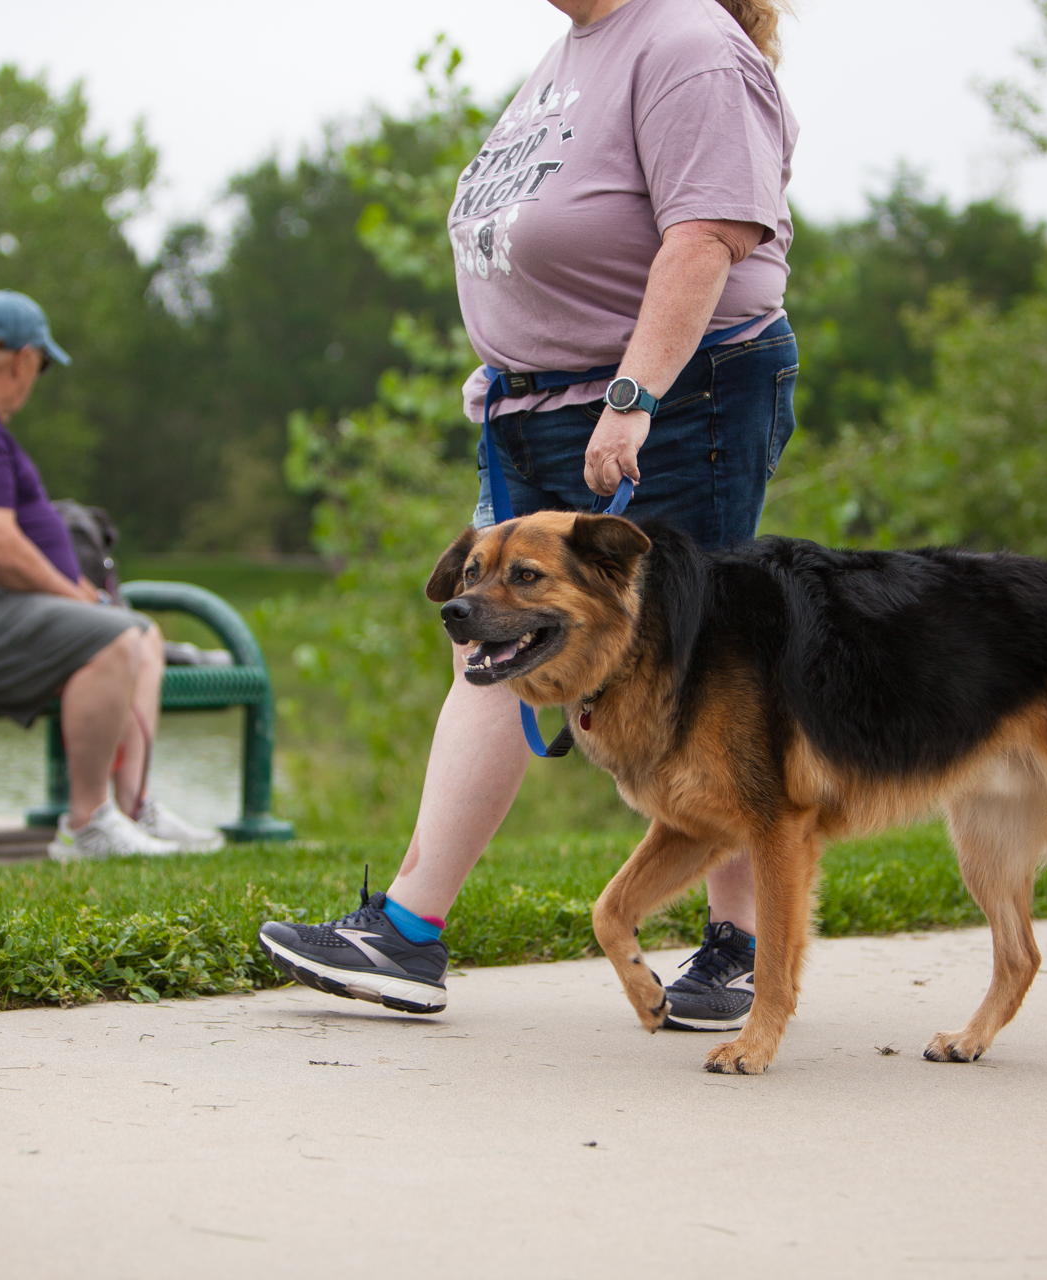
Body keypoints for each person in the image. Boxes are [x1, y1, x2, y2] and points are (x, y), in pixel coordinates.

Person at [260, 0, 799, 1028]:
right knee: (490, 645)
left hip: (674, 404)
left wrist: (633, 399)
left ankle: (740, 944)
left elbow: (707, 237)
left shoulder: (687, 43)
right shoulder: (574, 54)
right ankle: (407, 932)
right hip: (541, 412)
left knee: (711, 660)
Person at [0, 290, 219, 857]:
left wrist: (76, 596)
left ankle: (134, 808)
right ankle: (86, 824)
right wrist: (71, 596)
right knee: (114, 638)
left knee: (141, 635)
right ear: (22, 360)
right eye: (42, 366)